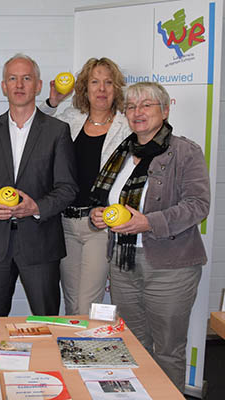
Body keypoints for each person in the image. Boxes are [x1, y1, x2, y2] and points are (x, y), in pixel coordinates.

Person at [89, 82, 210, 392]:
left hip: (171, 267)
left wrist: (148, 223)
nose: (137, 112)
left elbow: (198, 205)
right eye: (131, 107)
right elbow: (110, 202)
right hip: (123, 264)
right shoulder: (122, 152)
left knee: (167, 350)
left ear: (165, 110)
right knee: (132, 344)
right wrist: (99, 215)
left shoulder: (186, 151)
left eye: (146, 105)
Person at [0, 54, 78, 317]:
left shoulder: (57, 130)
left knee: (47, 322)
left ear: (38, 85)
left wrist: (36, 207)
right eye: (12, 78)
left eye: (26, 78)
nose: (19, 85)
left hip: (40, 243)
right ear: (4, 86)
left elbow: (67, 187)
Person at [39, 57, 130, 315]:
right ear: (84, 89)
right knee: (71, 306)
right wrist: (53, 101)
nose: (102, 89)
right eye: (95, 82)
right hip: (66, 225)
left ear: (116, 88)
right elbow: (36, 125)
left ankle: (84, 352)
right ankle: (73, 355)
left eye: (108, 83)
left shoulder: (126, 126)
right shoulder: (71, 118)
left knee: (86, 306)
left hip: (98, 226)